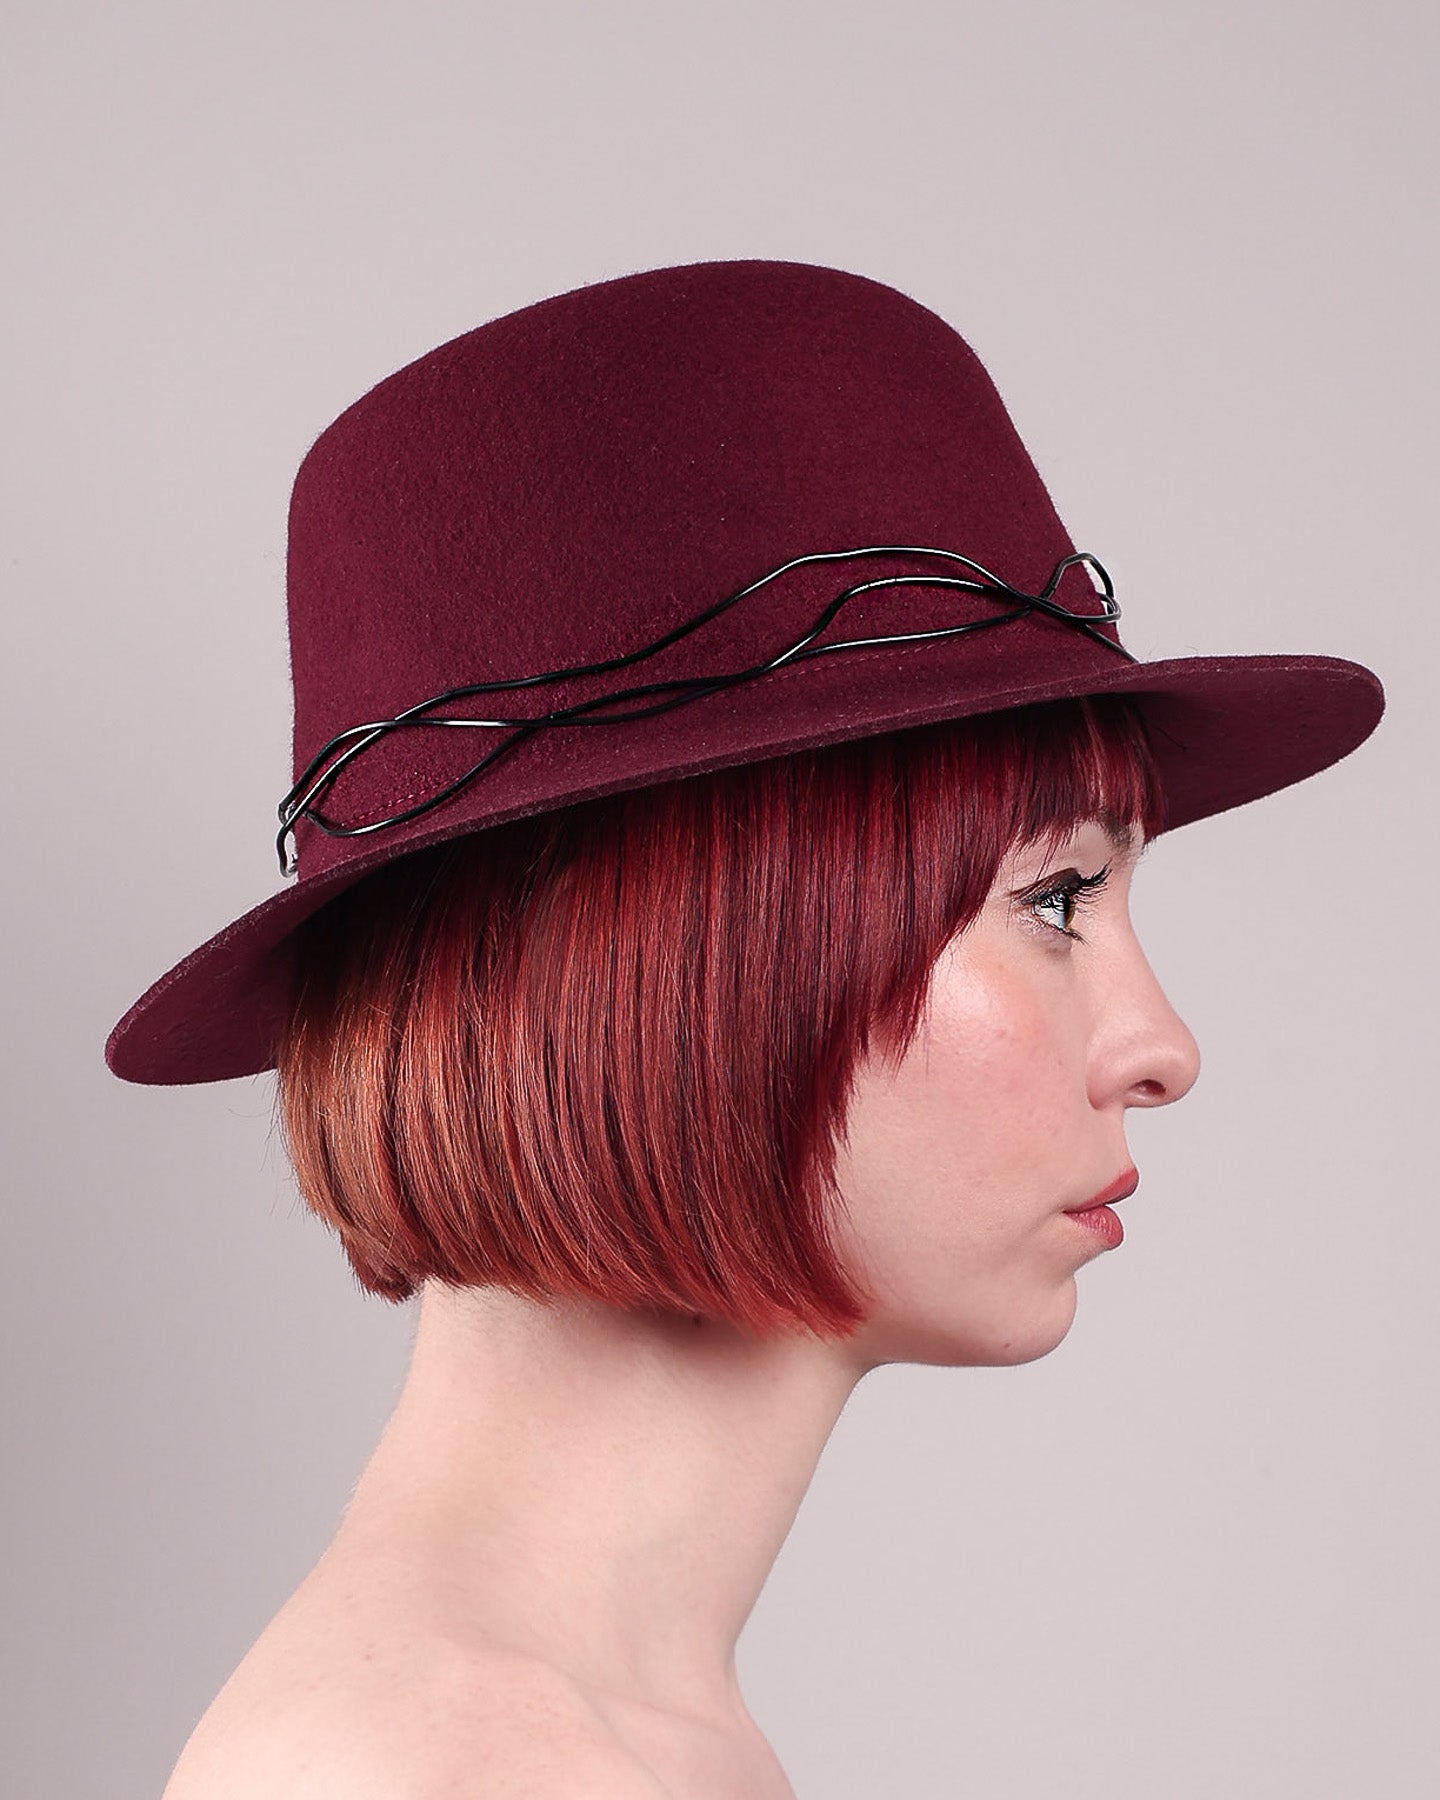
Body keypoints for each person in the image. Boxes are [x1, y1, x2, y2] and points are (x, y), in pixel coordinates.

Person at [106, 260, 1384, 1798]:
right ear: (664, 969)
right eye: (1055, 901)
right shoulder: (455, 1771)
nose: (1162, 1047)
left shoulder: (598, 1745)